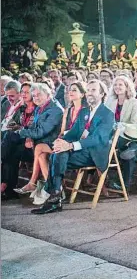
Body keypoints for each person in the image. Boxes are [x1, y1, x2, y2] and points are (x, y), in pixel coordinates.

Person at [30, 80, 114, 214]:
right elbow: (74, 132)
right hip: (78, 150)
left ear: (102, 94)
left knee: (58, 156)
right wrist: (61, 142)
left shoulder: (107, 114)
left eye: (93, 90)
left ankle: (53, 195)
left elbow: (97, 139)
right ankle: (55, 197)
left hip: (94, 154)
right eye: (88, 90)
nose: (89, 93)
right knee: (58, 152)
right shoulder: (84, 111)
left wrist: (70, 145)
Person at [2, 83, 63, 201]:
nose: (36, 98)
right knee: (10, 149)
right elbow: (32, 128)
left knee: (10, 143)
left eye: (39, 95)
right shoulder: (41, 107)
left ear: (48, 94)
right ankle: (8, 190)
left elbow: (41, 131)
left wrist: (21, 132)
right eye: (34, 96)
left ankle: (10, 186)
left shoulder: (54, 109)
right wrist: (24, 132)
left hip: (49, 144)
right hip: (37, 143)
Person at [1, 82, 36, 199]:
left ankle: (6, 186)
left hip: (33, 144)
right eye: (23, 92)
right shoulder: (22, 108)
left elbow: (36, 130)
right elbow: (17, 126)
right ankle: (8, 189)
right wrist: (17, 127)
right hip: (20, 143)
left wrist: (20, 129)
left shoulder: (38, 108)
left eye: (27, 92)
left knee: (9, 141)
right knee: (11, 152)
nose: (24, 94)